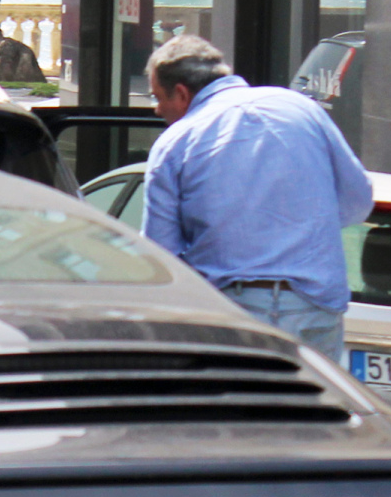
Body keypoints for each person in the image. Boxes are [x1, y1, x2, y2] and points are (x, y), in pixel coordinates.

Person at [138, 34, 373, 359]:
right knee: (315, 410)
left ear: (181, 93)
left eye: (157, 97)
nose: (156, 109)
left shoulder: (174, 143)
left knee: (243, 409)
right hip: (314, 305)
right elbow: (359, 200)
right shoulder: (302, 109)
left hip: (232, 312)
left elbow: (161, 255)